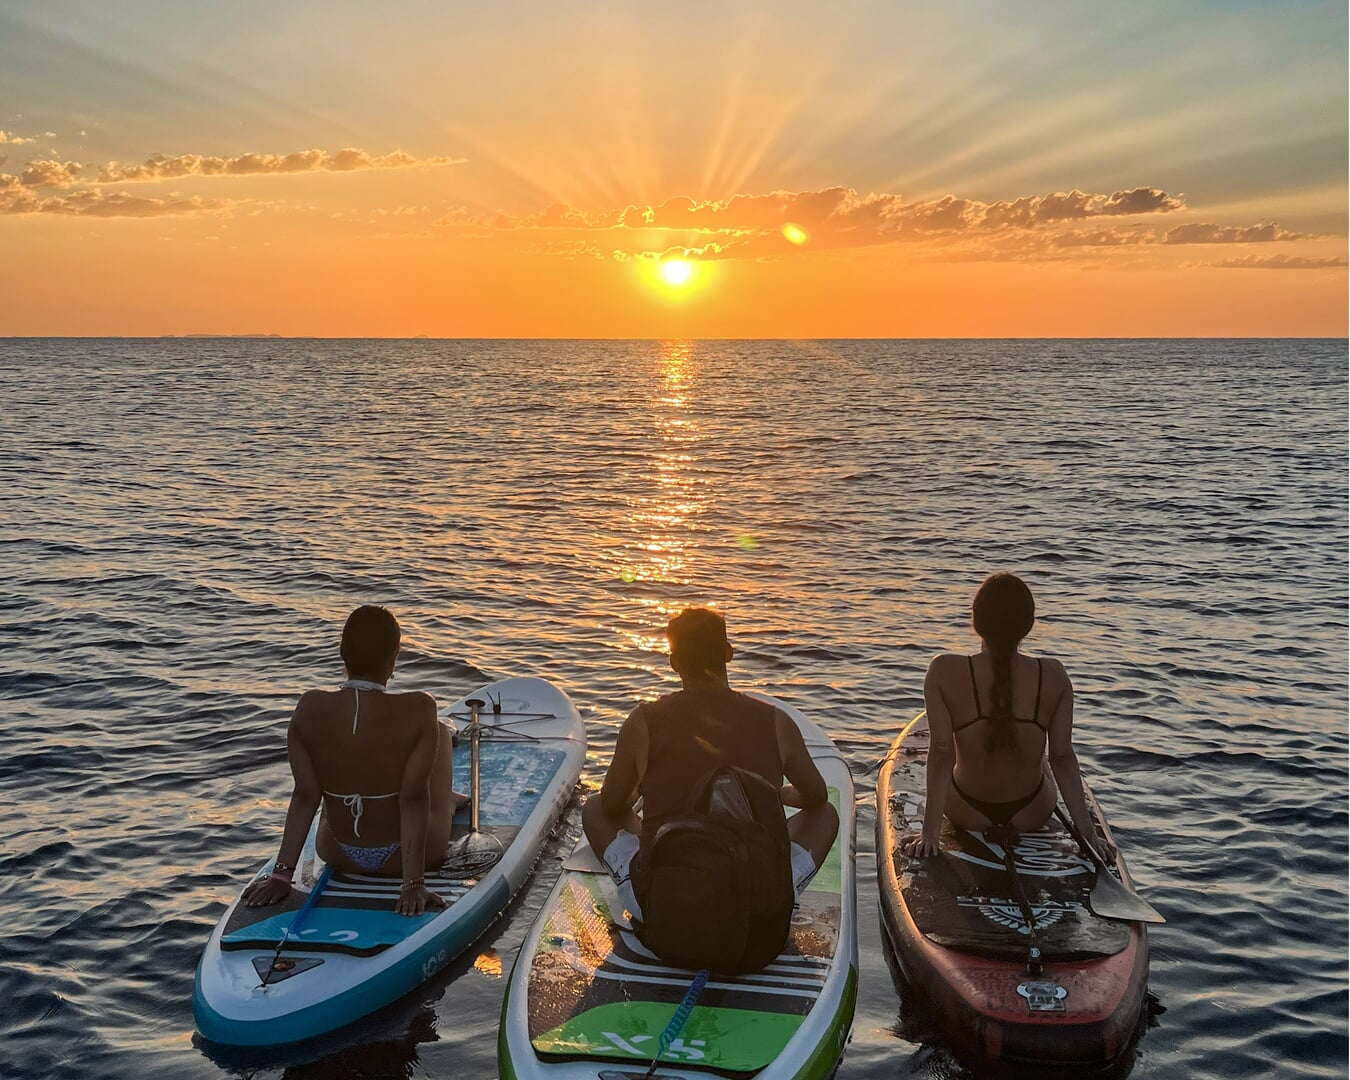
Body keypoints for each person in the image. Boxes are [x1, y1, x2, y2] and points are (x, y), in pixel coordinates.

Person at [582, 606, 839, 926]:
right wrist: (775, 794)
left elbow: (612, 804)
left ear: (675, 663)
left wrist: (642, 787)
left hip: (665, 904)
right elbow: (816, 799)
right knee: (826, 816)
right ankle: (784, 887)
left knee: (593, 809)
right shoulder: (776, 722)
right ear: (728, 654)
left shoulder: (643, 722)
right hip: (754, 904)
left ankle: (630, 879)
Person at [242, 605, 467, 916]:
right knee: (440, 733)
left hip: (336, 851)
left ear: (342, 652)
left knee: (331, 786)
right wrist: (412, 884)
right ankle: (448, 803)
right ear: (395, 655)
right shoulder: (419, 708)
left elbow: (306, 796)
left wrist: (282, 875)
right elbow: (413, 799)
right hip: (409, 855)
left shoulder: (309, 708)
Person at [901, 573, 1115, 861]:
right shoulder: (1053, 675)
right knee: (1042, 758)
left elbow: (941, 752)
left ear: (975, 621)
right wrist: (1088, 835)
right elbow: (1062, 757)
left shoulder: (942, 671)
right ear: (1028, 625)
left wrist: (930, 835)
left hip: (966, 811)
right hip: (1031, 813)